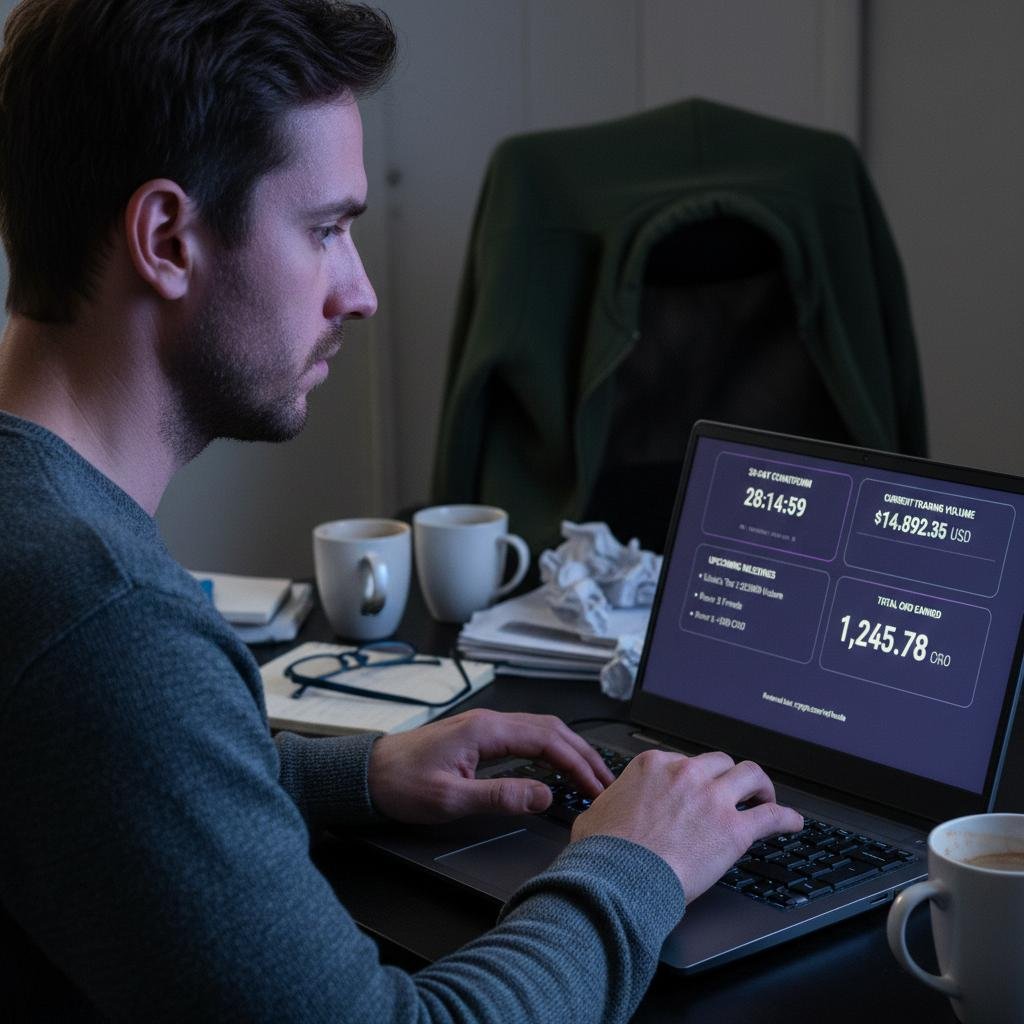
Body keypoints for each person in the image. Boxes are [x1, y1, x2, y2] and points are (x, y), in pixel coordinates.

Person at [0, 1, 802, 1020]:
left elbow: (89, 779)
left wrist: (356, 777)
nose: (361, 291)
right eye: (326, 229)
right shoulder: (106, 623)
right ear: (166, 237)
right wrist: (631, 859)